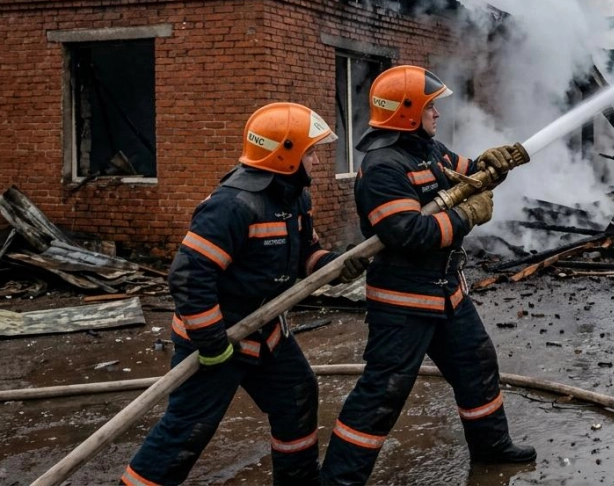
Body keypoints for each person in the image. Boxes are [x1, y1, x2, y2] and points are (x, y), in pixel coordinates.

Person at [321, 65, 534, 486]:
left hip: (447, 292)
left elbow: (469, 174)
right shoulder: (382, 167)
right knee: (384, 393)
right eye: (430, 106)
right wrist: (465, 216)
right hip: (404, 301)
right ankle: (340, 480)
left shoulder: (428, 151)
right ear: (407, 111)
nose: (437, 113)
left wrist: (494, 165)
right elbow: (407, 233)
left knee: (477, 365)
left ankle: (492, 445)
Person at [123, 102, 353, 486]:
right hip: (218, 338)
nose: (316, 159)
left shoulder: (294, 198)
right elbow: (189, 276)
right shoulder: (231, 206)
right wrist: (212, 342)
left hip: (267, 333)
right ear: (286, 155)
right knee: (187, 431)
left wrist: (334, 264)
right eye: (310, 152)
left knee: (297, 395)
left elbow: (304, 254)